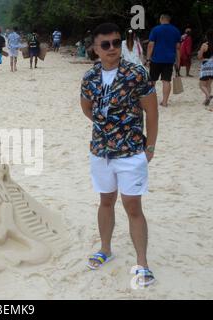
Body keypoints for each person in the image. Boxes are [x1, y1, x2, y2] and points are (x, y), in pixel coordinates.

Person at [80, 23, 158, 288]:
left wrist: (150, 147)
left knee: (133, 207)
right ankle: (105, 249)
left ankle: (143, 264)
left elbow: (152, 112)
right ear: (95, 49)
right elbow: (87, 108)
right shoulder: (90, 77)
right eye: (106, 45)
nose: (112, 48)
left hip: (131, 152)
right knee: (105, 201)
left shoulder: (136, 73)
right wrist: (108, 127)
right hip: (101, 151)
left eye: (116, 43)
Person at [146, 14, 181, 107]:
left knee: (152, 81)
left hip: (156, 59)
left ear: (161, 19)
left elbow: (151, 45)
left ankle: (151, 101)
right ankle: (165, 102)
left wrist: (148, 58)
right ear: (169, 20)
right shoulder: (176, 30)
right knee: (166, 81)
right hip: (169, 59)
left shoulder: (156, 29)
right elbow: (178, 48)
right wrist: (178, 62)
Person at [198, 30, 213, 107]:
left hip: (206, 66)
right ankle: (206, 99)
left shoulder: (205, 45)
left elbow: (199, 57)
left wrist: (201, 55)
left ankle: (208, 95)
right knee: (209, 84)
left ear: (206, 36)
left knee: (201, 85)